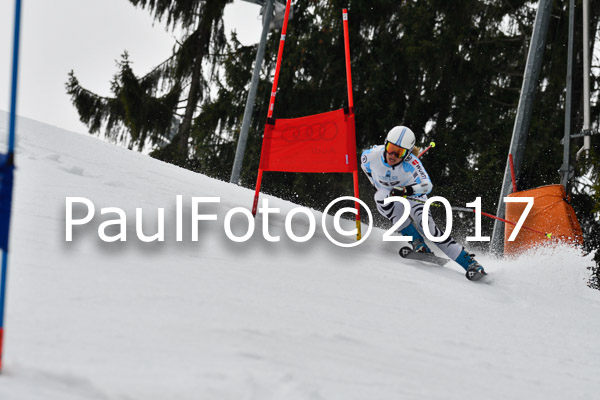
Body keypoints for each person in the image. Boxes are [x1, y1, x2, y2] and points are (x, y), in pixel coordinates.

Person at [360, 125, 487, 281]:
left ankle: (470, 263)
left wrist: (407, 190)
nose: (392, 155)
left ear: (407, 154)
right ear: (385, 143)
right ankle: (417, 243)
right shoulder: (371, 156)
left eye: (399, 152)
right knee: (380, 196)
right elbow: (365, 167)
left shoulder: (412, 163)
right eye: (391, 148)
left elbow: (427, 186)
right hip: (390, 197)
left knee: (428, 228)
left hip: (414, 197)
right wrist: (376, 184)